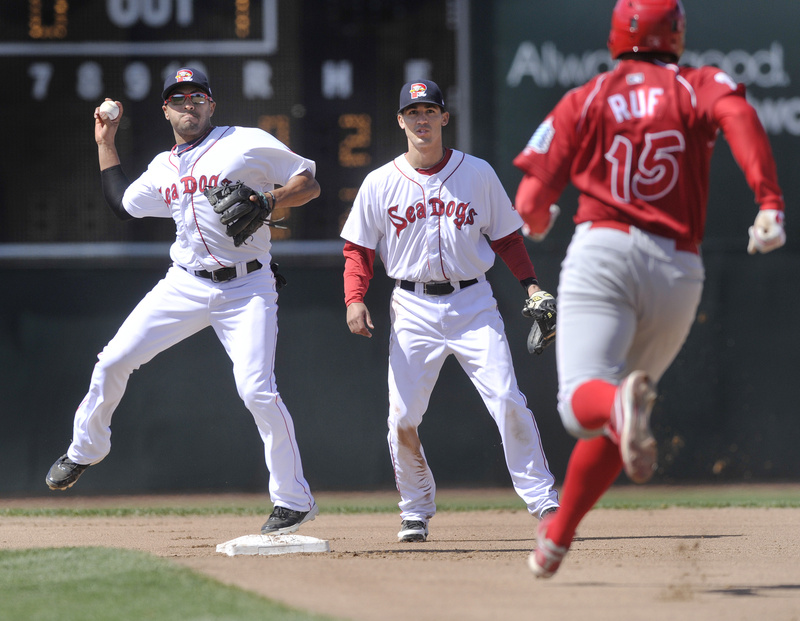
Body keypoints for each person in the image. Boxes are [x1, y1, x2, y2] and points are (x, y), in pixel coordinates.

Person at [512, 0, 786, 578]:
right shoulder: (698, 85)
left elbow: (531, 203)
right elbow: (741, 120)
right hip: (678, 268)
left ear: (617, 34)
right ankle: (555, 540)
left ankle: (613, 409)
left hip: (604, 252)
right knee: (623, 416)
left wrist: (537, 220)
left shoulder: (585, 97)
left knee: (584, 404)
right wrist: (768, 202)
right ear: (678, 34)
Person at [45, 67, 322, 536]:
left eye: (197, 97)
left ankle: (294, 500)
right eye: (178, 99)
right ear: (166, 110)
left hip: (247, 286)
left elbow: (309, 182)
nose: (187, 105)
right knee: (113, 360)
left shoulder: (247, 141)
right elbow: (122, 205)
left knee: (257, 390)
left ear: (211, 105)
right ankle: (85, 450)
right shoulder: (161, 167)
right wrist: (105, 140)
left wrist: (271, 199)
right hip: (185, 283)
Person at [341, 79, 560, 542]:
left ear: (444, 117)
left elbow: (506, 238)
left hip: (472, 301)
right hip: (412, 307)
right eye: (412, 112)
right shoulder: (380, 181)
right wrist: (354, 298)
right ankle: (415, 509)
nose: (421, 119)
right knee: (401, 417)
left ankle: (544, 502)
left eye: (429, 110)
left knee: (506, 399)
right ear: (400, 120)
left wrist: (532, 286)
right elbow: (358, 249)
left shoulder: (476, 173)